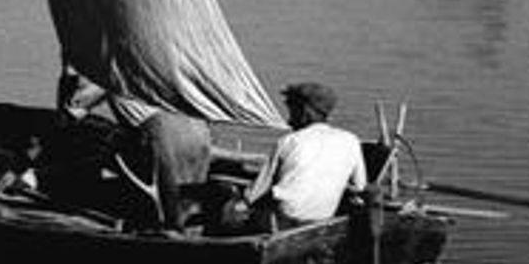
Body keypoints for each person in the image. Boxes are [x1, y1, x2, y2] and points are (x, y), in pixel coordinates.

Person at [243, 81, 368, 229]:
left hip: (285, 219)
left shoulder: (288, 141)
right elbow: (360, 187)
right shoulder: (351, 140)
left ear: (305, 112)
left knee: (233, 206)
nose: (288, 121)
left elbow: (257, 190)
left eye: (292, 112)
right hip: (322, 217)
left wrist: (241, 203)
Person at [109, 93, 212, 233]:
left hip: (163, 128)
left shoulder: (107, 75)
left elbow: (81, 101)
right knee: (190, 207)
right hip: (196, 126)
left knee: (172, 212)